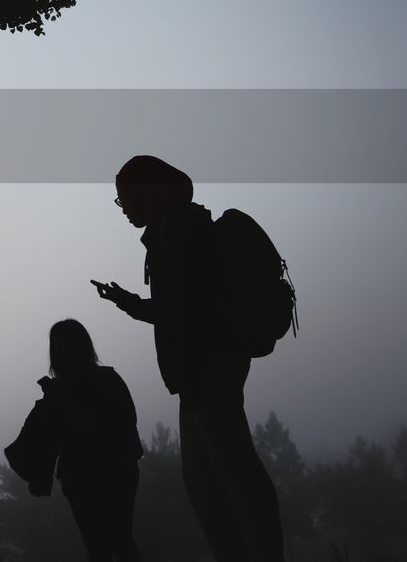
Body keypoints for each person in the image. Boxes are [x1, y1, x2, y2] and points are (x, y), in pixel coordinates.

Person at [95, 155, 283, 562]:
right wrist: (127, 302)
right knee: (206, 480)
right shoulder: (180, 225)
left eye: (125, 197)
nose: (123, 207)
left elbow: (185, 310)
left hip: (205, 368)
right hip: (206, 367)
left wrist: (136, 308)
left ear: (147, 192)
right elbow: (177, 307)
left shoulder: (177, 229)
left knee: (231, 474)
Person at [8, 319, 143, 562]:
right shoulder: (63, 390)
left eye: (65, 340)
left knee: (117, 541)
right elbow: (44, 437)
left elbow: (124, 421)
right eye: (56, 341)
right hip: (82, 477)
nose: (60, 346)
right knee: (101, 546)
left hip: (113, 472)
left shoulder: (105, 379)